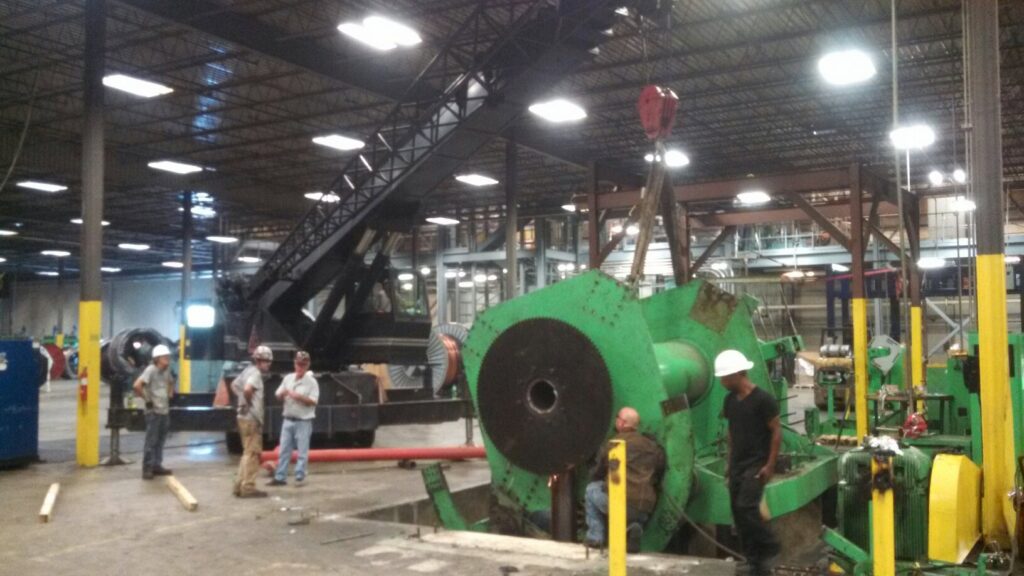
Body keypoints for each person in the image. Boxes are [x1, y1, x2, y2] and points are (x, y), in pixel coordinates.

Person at [716, 349, 782, 576]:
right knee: (737, 512)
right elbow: (732, 433)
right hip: (737, 464)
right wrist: (729, 463)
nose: (722, 383)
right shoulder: (729, 401)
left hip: (757, 463)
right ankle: (754, 562)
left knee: (746, 507)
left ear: (737, 374)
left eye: (725, 378)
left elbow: (776, 432)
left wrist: (770, 465)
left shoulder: (763, 400)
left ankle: (770, 545)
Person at [584, 407, 665, 552]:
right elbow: (660, 468)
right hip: (645, 507)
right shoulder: (651, 446)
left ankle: (595, 537)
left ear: (622, 423)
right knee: (632, 509)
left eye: (617, 417)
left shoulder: (614, 443)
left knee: (592, 489)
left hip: (621, 505)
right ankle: (633, 527)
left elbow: (598, 472)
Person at [268, 351, 319, 486]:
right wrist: (282, 395)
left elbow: (314, 401)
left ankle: (300, 475)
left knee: (302, 451)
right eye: (298, 364)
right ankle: (280, 477)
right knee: (284, 450)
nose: (300, 367)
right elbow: (278, 395)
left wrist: (299, 397)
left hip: (303, 421)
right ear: (294, 364)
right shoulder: (288, 378)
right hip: (288, 419)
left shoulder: (312, 383)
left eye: (303, 365)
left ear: (307, 365)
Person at [231, 345, 273, 498]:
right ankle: (248, 487)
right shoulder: (255, 374)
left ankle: (239, 485)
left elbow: (234, 385)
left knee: (247, 452)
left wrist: (242, 401)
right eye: (267, 361)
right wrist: (248, 402)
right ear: (260, 361)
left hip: (243, 418)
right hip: (252, 419)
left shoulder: (247, 370)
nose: (268, 364)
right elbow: (248, 389)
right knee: (253, 453)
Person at [133, 344, 175, 480]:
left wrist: (170, 394)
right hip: (154, 412)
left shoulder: (166, 371)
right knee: (151, 441)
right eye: (165, 357)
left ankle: (157, 465)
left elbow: (171, 382)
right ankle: (147, 468)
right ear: (157, 358)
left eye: (168, 357)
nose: (167, 359)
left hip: (164, 411)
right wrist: (147, 400)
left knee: (160, 440)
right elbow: (137, 385)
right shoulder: (151, 370)